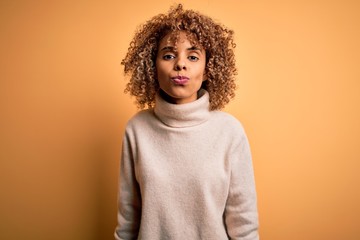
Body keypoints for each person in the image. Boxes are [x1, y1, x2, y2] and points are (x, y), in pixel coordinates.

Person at [114, 4, 259, 240]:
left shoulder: (229, 131)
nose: (180, 64)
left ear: (208, 69)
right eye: (169, 55)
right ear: (152, 65)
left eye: (193, 56)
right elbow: (128, 219)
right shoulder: (137, 129)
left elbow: (243, 223)